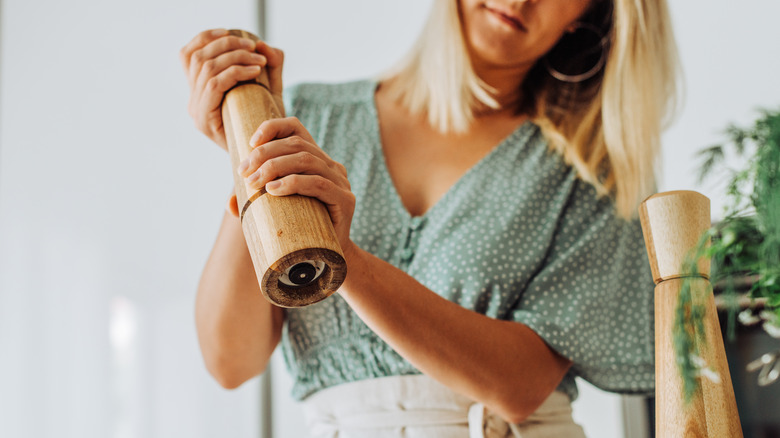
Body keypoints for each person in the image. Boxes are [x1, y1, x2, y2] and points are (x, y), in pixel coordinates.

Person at [180, 0, 679, 436]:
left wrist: (345, 259)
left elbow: (519, 386)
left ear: (590, 14)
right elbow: (230, 362)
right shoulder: (312, 118)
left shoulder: (591, 165)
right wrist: (250, 164)